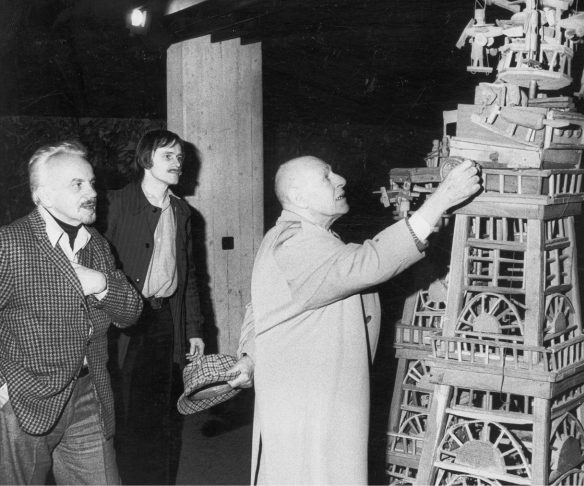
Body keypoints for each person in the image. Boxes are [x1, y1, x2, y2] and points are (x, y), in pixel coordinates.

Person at [228, 155, 481, 484]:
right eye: (326, 176)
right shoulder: (296, 242)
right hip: (311, 401)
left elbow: (259, 304)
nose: (341, 179)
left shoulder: (298, 236)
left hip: (309, 393)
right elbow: (369, 262)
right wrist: (440, 200)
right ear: (298, 196)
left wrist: (250, 355)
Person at [0, 141, 143, 484]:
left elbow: (131, 313)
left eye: (91, 183)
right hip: (24, 401)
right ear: (43, 196)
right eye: (77, 184)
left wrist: (101, 283)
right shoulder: (10, 243)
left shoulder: (97, 244)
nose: (92, 191)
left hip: (88, 395)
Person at [104, 129, 205, 485]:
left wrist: (193, 328)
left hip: (164, 321)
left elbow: (189, 274)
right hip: (122, 325)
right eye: (168, 156)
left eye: (180, 157)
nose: (178, 163)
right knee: (124, 415)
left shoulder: (182, 210)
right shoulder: (115, 203)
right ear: (147, 160)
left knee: (162, 415)